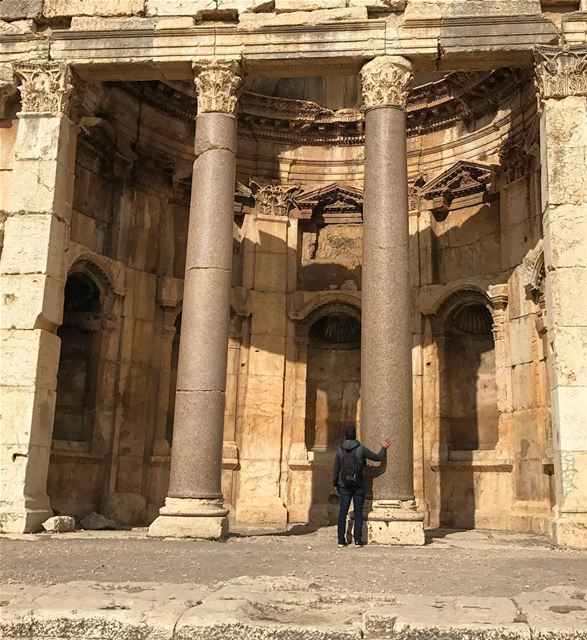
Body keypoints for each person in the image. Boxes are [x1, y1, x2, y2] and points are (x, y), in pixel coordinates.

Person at [332, 425, 391, 547]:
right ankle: (358, 540)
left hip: (344, 486)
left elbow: (336, 470)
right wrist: (383, 448)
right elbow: (377, 457)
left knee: (342, 513)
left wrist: (335, 484)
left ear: (346, 436)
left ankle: (341, 540)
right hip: (358, 485)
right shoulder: (361, 449)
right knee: (358, 512)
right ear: (354, 436)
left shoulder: (339, 451)